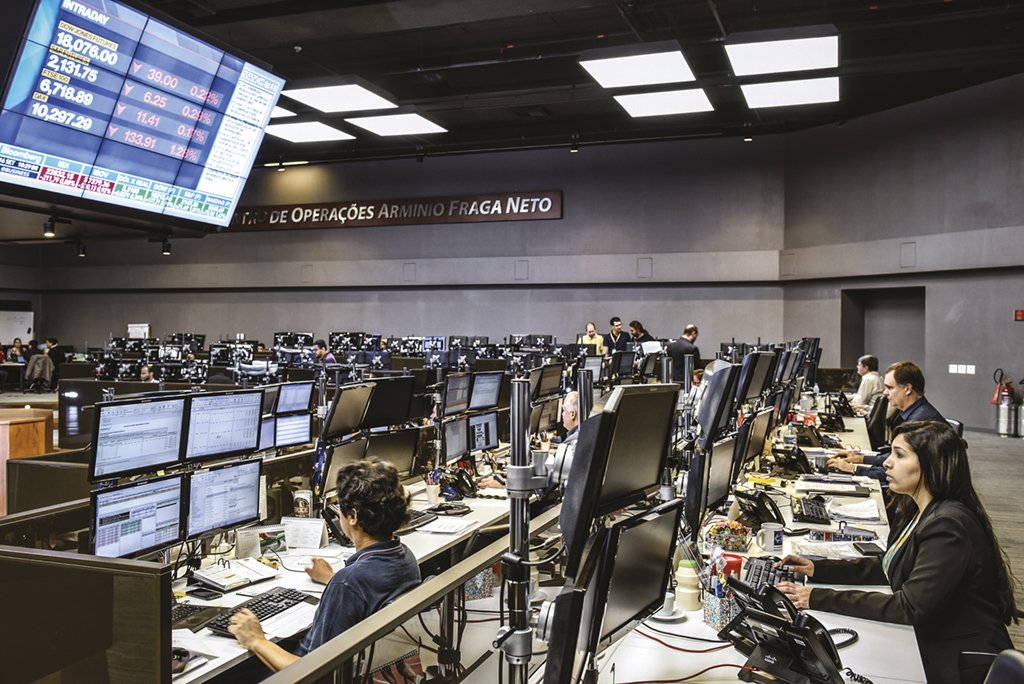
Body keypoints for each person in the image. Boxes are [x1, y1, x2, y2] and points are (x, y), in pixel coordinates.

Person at [776, 421, 1017, 684]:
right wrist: (819, 568)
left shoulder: (948, 525)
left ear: (931, 463)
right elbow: (891, 563)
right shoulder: (919, 508)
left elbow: (910, 607)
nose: (887, 463)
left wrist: (817, 598)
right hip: (933, 641)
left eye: (899, 455)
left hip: (960, 662)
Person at [228, 460, 421, 674]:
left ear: (353, 517)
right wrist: (332, 578)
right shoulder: (404, 556)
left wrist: (256, 640)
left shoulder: (349, 583)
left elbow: (314, 672)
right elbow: (370, 592)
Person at [828, 361, 944, 478]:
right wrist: (860, 458)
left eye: (889, 387)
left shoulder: (920, 422)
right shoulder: (916, 413)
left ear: (908, 389)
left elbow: (900, 471)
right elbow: (896, 456)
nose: (885, 393)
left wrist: (854, 469)